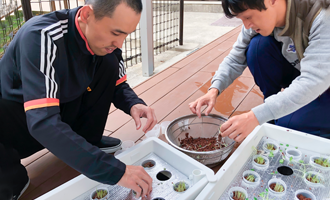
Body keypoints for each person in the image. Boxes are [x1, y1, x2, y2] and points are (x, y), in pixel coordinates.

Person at [0, 0, 157, 199]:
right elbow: (43, 122)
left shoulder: (105, 43)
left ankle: (86, 142)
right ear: (86, 15)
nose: (120, 44)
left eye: (126, 34)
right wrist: (117, 171)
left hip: (56, 109)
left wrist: (133, 103)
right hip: (17, 120)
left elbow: (118, 83)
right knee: (10, 184)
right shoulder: (41, 36)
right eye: (116, 33)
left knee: (108, 60)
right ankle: (10, 177)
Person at [189, 0, 330, 142]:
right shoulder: (258, 16)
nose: (246, 25)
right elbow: (235, 58)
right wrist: (214, 89)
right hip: (303, 73)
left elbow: (314, 80)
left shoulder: (323, 15)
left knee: (287, 125)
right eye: (241, 19)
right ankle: (274, 105)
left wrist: (255, 116)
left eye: (248, 17)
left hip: (323, 83)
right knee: (258, 47)